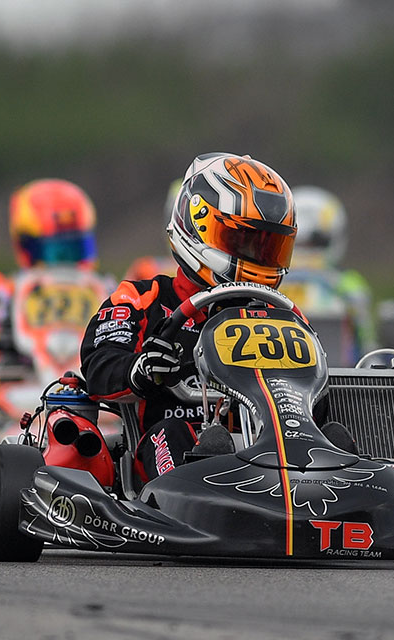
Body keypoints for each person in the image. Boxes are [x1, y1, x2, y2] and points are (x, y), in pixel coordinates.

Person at [80, 152, 298, 482]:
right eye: (245, 242)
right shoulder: (142, 298)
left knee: (337, 435)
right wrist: (139, 369)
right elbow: (99, 367)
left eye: (269, 248)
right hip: (170, 450)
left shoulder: (281, 313)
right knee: (173, 433)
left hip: (269, 453)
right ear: (198, 225)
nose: (258, 258)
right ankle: (192, 500)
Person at [0, 178, 111, 367]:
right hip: (24, 373)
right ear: (26, 246)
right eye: (56, 251)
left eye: (74, 248)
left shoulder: (105, 288)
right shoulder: (4, 288)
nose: (65, 260)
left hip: (87, 372)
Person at [280, 185, 376, 365]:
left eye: (311, 243)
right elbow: (367, 342)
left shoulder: (348, 285)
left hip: (339, 377)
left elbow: (366, 346)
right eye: (300, 242)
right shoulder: (348, 284)